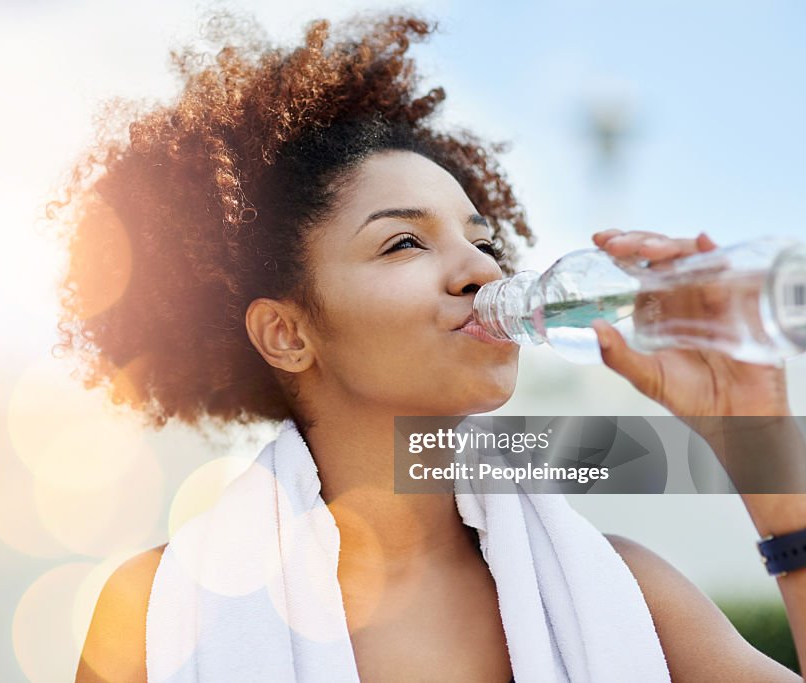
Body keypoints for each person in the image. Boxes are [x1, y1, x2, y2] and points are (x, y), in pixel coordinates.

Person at [49, 12, 803, 682]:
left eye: (483, 239)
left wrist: (764, 449)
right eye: (404, 242)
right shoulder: (156, 617)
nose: (483, 269)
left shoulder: (629, 593)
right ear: (288, 333)